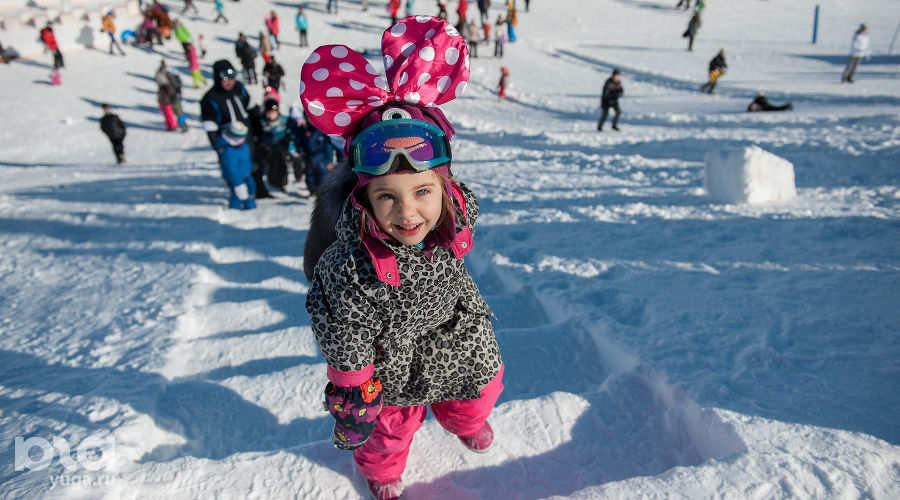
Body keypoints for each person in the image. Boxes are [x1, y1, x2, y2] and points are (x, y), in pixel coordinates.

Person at [299, 17, 503, 500]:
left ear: (446, 189)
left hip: (454, 332)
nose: (408, 212)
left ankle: (464, 420)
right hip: (387, 361)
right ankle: (383, 470)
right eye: (386, 196)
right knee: (388, 428)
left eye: (423, 192)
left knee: (478, 388)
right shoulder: (349, 265)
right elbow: (342, 328)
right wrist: (352, 385)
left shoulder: (451, 220)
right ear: (361, 199)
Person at [200, 60, 269, 198]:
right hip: (229, 141)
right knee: (234, 169)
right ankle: (239, 196)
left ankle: (259, 192)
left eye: (232, 78)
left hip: (247, 135)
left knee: (255, 163)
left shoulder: (239, 88)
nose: (229, 82)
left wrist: (260, 132)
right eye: (225, 79)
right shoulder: (210, 98)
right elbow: (211, 128)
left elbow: (253, 111)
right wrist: (219, 148)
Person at [257, 98, 297, 190]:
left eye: (273, 112)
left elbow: (292, 129)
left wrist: (288, 138)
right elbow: (259, 135)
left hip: (281, 146)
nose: (271, 115)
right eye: (269, 112)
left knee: (281, 162)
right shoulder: (262, 122)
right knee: (270, 164)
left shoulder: (284, 120)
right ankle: (272, 181)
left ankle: (282, 181)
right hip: (268, 146)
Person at [217, 121, 257, 210]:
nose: (244, 139)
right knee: (237, 194)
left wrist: (251, 166)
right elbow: (231, 170)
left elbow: (246, 158)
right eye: (242, 137)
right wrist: (238, 184)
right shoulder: (229, 151)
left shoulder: (242, 145)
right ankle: (234, 210)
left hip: (246, 174)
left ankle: (251, 207)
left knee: (251, 190)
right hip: (236, 178)